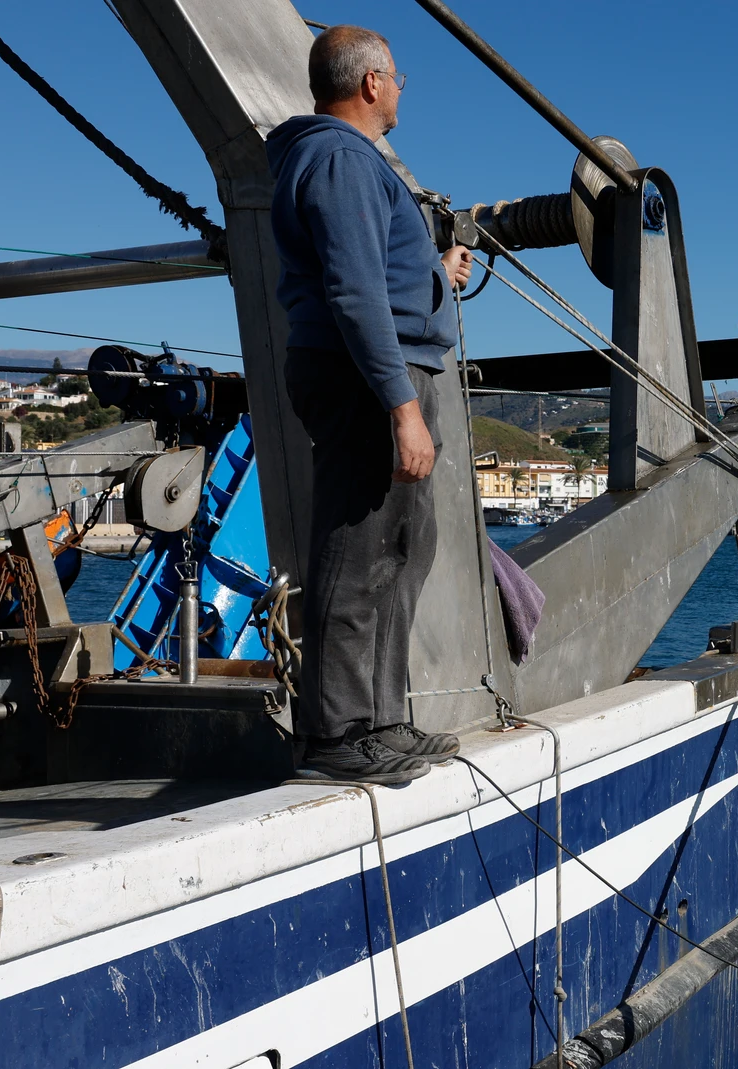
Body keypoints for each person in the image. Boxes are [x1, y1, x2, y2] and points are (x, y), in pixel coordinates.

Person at [266, 25, 475, 784]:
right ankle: (335, 733)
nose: (403, 86)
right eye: (397, 75)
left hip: (382, 368)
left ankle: (382, 720)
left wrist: (431, 267)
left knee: (401, 552)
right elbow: (353, 293)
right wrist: (401, 406)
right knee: (356, 552)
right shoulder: (339, 158)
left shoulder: (345, 163)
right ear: (370, 84)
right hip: (365, 377)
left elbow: (374, 271)